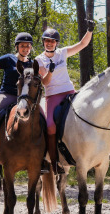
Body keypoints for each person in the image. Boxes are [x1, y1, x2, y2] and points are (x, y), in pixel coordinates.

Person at [35, 21, 95, 174]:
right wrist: (51, 71)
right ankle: (54, 162)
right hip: (53, 95)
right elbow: (45, 82)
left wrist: (89, 30)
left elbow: (82, 44)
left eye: (53, 41)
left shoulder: (62, 53)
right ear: (43, 42)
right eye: (47, 41)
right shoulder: (39, 60)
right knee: (50, 126)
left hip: (69, 92)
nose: (50, 43)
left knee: (89, 114)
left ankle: (98, 152)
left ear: (56, 43)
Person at [0, 32, 42, 170]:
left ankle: (42, 157)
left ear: (31, 47)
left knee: (42, 119)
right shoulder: (8, 59)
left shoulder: (32, 64)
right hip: (7, 95)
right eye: (22, 46)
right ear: (17, 47)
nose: (25, 48)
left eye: (28, 46)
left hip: (27, 99)